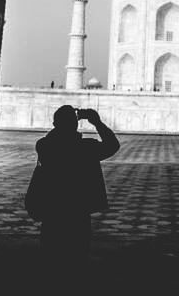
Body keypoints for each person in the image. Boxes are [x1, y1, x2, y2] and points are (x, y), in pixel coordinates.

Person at [35, 105, 119, 268]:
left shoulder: (44, 146)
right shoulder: (85, 148)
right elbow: (112, 145)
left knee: (51, 250)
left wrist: (63, 124)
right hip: (78, 207)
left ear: (54, 124)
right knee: (77, 252)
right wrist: (96, 122)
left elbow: (50, 140)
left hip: (53, 206)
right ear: (75, 125)